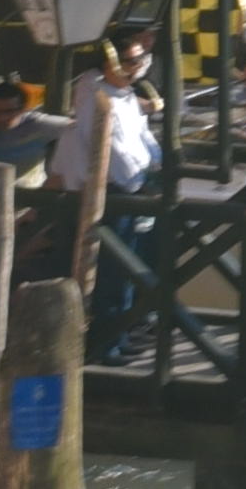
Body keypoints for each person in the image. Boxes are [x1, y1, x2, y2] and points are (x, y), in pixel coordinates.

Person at [49, 35, 163, 349]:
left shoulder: (124, 94)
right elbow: (110, 148)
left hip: (131, 189)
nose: (137, 67)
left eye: (139, 60)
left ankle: (125, 332)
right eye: (130, 61)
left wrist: (156, 167)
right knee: (112, 274)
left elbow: (143, 137)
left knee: (130, 268)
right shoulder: (95, 96)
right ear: (109, 63)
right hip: (110, 193)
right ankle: (109, 343)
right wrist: (138, 180)